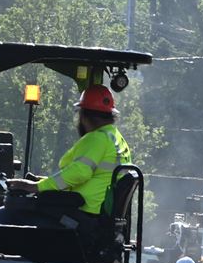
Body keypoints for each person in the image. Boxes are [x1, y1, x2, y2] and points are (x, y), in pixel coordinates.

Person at [38, 87, 133, 223]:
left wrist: (37, 187)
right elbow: (95, 175)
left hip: (83, 214)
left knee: (9, 214)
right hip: (96, 212)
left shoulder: (97, 138)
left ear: (83, 116)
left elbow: (80, 172)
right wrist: (44, 182)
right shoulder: (115, 137)